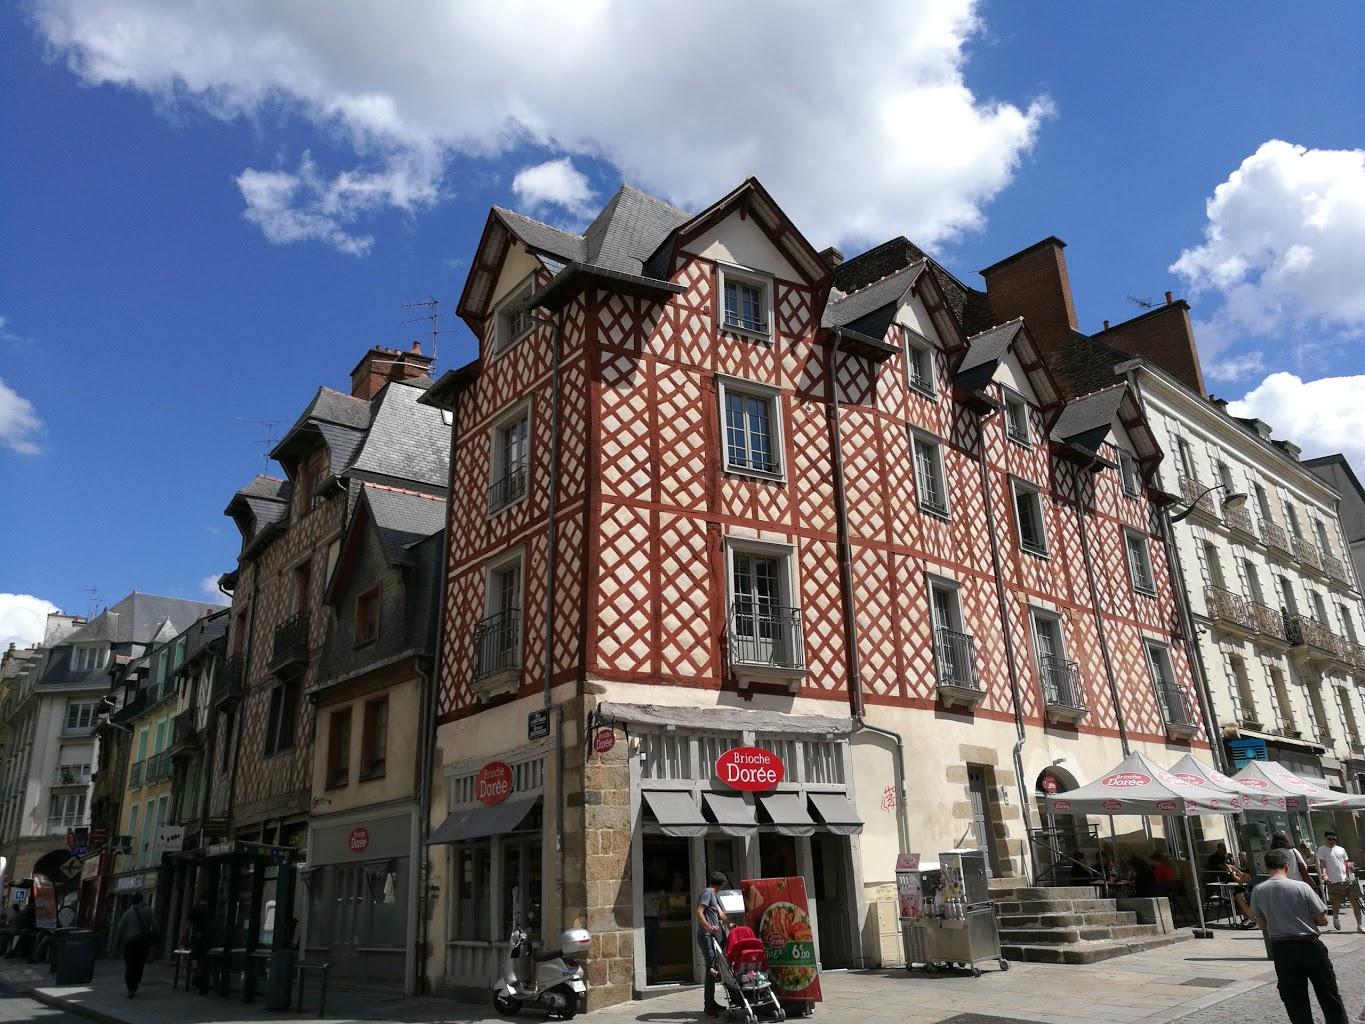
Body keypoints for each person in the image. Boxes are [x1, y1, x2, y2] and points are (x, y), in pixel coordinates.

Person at [1249, 848, 1348, 1024]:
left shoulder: (1258, 890)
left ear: (1267, 868)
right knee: (1329, 995)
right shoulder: (1302, 887)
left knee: (1295, 1001)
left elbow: (1261, 924)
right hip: (1309, 945)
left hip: (1282, 949)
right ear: (1287, 867)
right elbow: (1323, 920)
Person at [694, 871, 731, 1018]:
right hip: (706, 936)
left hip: (712, 937)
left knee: (714, 967)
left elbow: (720, 914)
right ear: (722, 884)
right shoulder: (707, 893)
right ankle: (708, 1006)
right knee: (711, 969)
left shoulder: (714, 895)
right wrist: (708, 927)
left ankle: (711, 1002)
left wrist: (731, 924)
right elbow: (699, 912)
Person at [1314, 832, 1364, 933]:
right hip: (1333, 881)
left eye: (1334, 839)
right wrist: (1324, 875)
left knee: (1355, 902)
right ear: (1325, 838)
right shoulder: (1322, 849)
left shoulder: (1341, 849)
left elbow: (1345, 863)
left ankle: (1359, 925)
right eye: (1329, 839)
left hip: (1347, 880)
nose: (1332, 841)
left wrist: (1350, 868)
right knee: (1336, 903)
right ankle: (1335, 916)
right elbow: (1322, 864)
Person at [111, 893, 158, 998]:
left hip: (130, 943)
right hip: (143, 943)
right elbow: (155, 927)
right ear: (142, 900)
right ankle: (135, 985)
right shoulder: (149, 911)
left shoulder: (128, 913)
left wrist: (117, 944)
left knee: (130, 965)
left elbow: (120, 928)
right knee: (139, 966)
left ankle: (130, 987)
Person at [1206, 842, 1255, 927]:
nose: (1225, 851)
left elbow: (1240, 880)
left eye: (1242, 859)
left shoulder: (1249, 870)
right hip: (1223, 883)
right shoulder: (1214, 858)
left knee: (1238, 896)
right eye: (1223, 849)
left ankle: (1251, 919)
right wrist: (1235, 870)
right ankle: (1246, 918)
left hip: (1252, 892)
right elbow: (1240, 875)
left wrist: (1233, 873)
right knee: (1237, 893)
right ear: (1218, 849)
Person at [187, 898, 211, 995]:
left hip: (196, 937)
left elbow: (188, 924)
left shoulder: (196, 909)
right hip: (206, 939)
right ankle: (199, 974)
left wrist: (184, 936)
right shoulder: (209, 910)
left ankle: (196, 971)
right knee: (203, 959)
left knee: (194, 957)